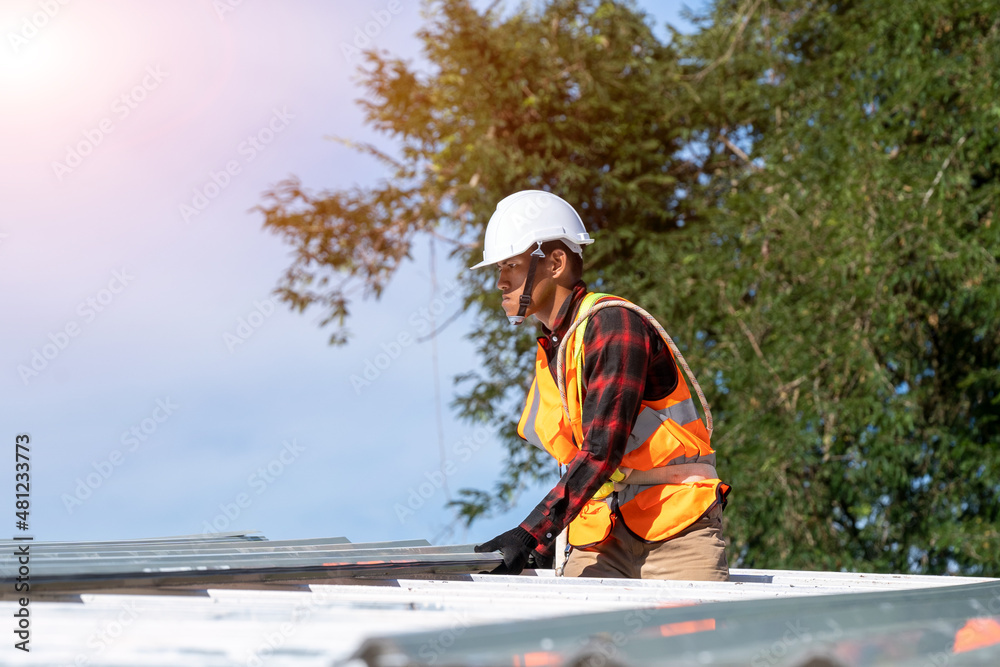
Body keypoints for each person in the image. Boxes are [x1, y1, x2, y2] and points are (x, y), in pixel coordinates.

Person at [471, 190, 730, 580]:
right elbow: (574, 459)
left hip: (675, 529)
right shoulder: (555, 348)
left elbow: (599, 454)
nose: (500, 281)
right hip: (600, 535)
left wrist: (530, 537)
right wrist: (549, 545)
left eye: (511, 265)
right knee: (571, 642)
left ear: (555, 262)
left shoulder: (613, 324)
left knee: (689, 642)